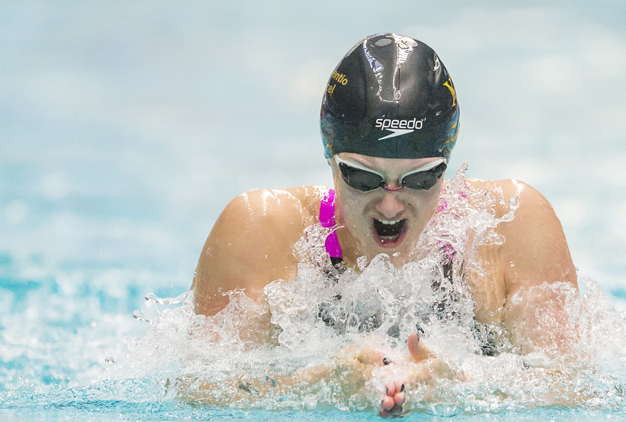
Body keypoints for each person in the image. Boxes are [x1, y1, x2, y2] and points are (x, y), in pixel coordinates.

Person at [190, 33, 577, 417]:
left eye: (420, 179)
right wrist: (321, 383)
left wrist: (458, 386)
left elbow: (573, 390)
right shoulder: (262, 232)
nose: (390, 203)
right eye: (363, 177)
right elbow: (198, 393)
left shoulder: (507, 226)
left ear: (446, 165)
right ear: (330, 157)